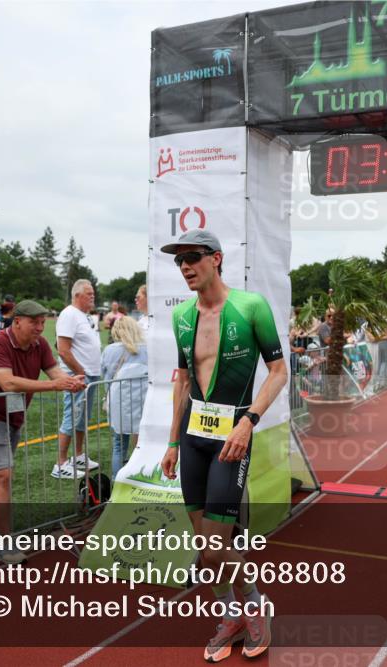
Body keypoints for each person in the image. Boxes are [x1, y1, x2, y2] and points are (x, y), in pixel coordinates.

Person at [158, 229, 287, 662]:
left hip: (233, 439)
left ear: (216, 258)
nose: (185, 267)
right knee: (206, 547)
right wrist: (172, 441)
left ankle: (253, 607)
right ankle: (233, 614)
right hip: (193, 439)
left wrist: (249, 422)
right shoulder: (181, 318)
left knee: (215, 546)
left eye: (192, 257)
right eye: (178, 261)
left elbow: (278, 372)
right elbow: (182, 382)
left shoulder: (251, 307)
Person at [0, 300, 85, 563]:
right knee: (2, 475)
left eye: (44, 322)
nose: (41, 328)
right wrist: (57, 385)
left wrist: (69, 381)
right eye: (35, 322)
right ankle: (4, 544)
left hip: (13, 416)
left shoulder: (40, 345)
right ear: (18, 321)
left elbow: (55, 373)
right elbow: (8, 382)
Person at [53, 279, 102, 480]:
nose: (92, 297)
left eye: (93, 293)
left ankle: (78, 455)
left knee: (82, 418)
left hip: (89, 376)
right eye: (88, 294)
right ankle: (61, 462)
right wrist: (80, 372)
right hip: (78, 376)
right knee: (71, 417)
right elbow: (63, 350)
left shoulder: (84, 316)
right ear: (77, 295)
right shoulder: (69, 315)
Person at [101, 316, 148, 478]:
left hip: (118, 401)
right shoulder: (147, 349)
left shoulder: (110, 350)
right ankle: (141, 479)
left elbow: (106, 378)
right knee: (142, 444)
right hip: (143, 402)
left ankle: (116, 482)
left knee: (119, 445)